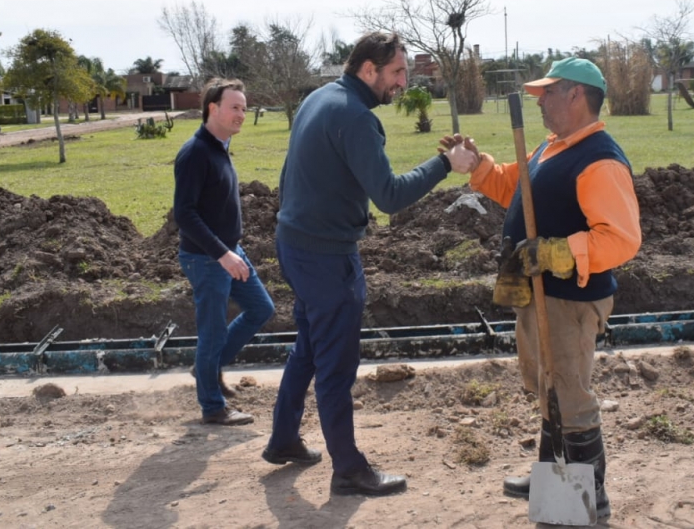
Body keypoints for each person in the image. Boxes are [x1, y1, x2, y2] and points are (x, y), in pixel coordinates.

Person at [262, 31, 477, 496]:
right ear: (368, 69)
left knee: (310, 346)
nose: (402, 82)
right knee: (336, 363)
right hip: (325, 255)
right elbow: (391, 197)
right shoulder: (356, 117)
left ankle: (283, 438)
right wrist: (446, 164)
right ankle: (349, 470)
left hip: (294, 243)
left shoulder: (319, 98)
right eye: (397, 72)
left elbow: (287, 174)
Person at [444, 57, 641, 519]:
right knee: (546, 386)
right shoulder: (554, 147)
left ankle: (589, 496)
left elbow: (621, 237)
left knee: (569, 393)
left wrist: (557, 253)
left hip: (570, 300)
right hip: (540, 294)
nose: (539, 100)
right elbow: (515, 187)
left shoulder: (599, 159)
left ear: (576, 95)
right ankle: (552, 475)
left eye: (548, 92)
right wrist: (479, 165)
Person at [174, 80, 275, 426]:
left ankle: (209, 368)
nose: (241, 115)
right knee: (212, 332)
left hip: (230, 251)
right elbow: (184, 214)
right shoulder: (195, 153)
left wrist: (231, 251)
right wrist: (223, 254)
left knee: (261, 308)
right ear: (212, 108)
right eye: (235, 107)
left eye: (244, 108)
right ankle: (212, 407)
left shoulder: (221, 146)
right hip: (206, 258)